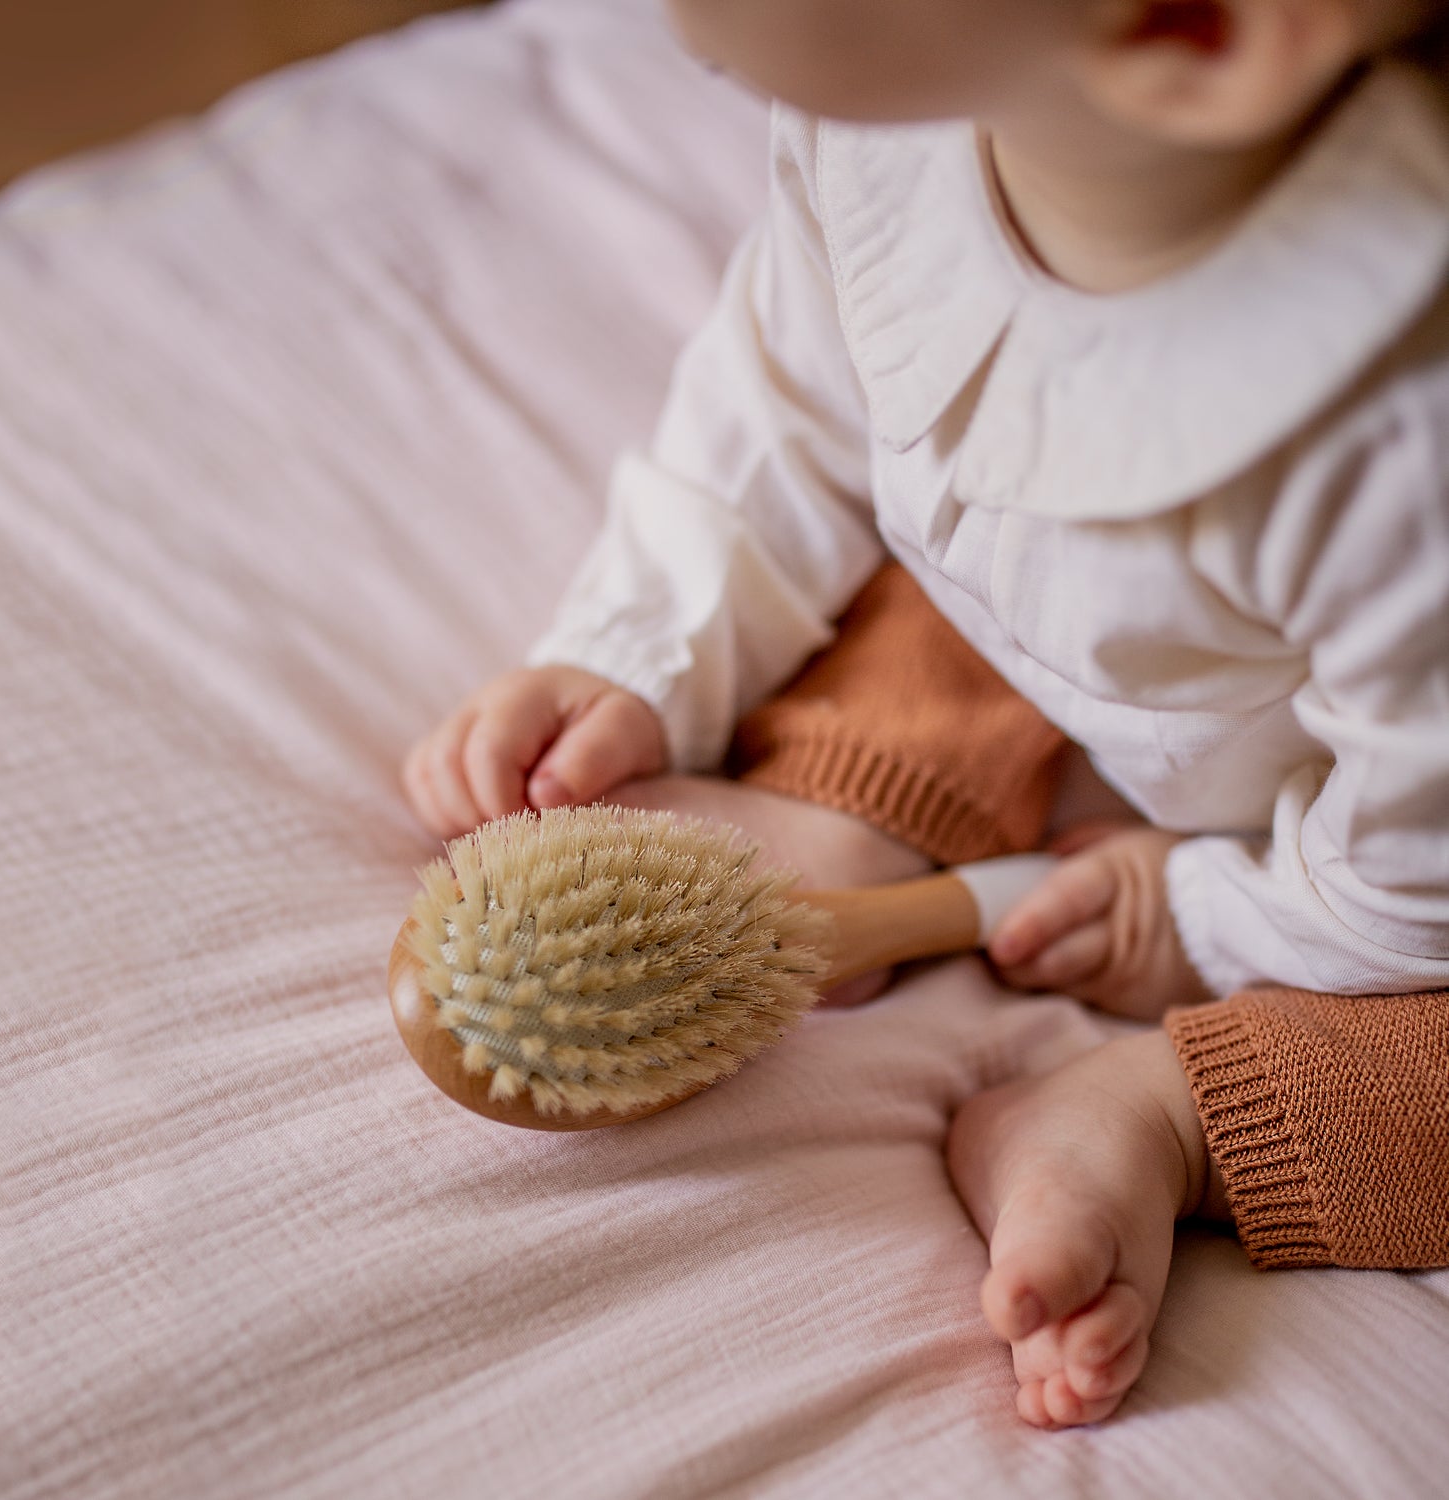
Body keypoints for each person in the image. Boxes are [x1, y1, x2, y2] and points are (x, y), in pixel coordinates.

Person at [403, 0, 1449, 1427]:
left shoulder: (1402, 441)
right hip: (1181, 664)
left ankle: (1171, 1118)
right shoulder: (905, 109)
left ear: (1195, 29)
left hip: (1402, 844)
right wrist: (643, 643)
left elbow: (1418, 884)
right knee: (973, 547)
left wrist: (1206, 919)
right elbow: (789, 405)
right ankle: (852, 795)